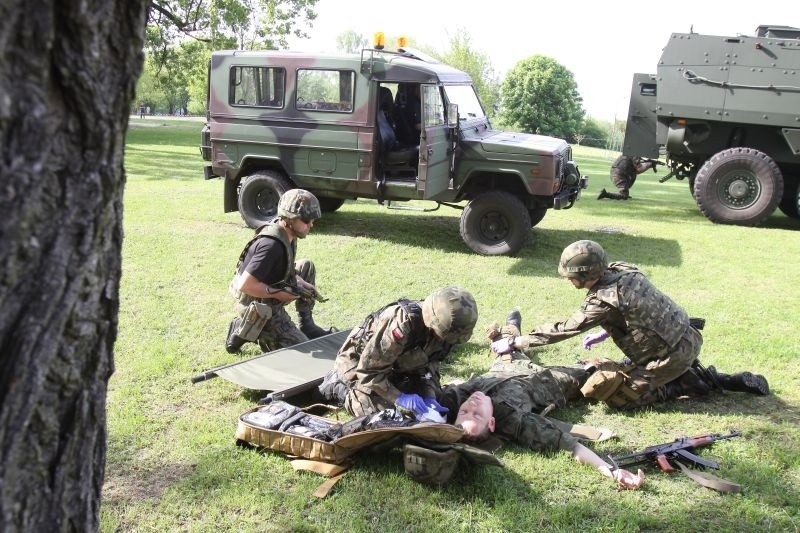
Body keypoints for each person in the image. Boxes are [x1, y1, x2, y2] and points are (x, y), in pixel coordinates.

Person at [491, 240, 768, 409]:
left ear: (586, 275)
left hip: (669, 355)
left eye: (570, 276)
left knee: (618, 397)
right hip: (687, 335)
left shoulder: (602, 299)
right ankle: (699, 375)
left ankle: (686, 384)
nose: (567, 280)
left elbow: (563, 329)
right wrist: (604, 331)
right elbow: (640, 307)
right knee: (636, 369)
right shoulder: (624, 269)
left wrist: (515, 341)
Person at [437, 315, 644, 490]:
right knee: (592, 372)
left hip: (506, 364)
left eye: (465, 412)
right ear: (491, 423)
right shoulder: (514, 420)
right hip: (547, 380)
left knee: (506, 344)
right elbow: (567, 444)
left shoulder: (461, 396)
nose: (472, 405)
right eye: (477, 415)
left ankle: (510, 327)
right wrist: (612, 472)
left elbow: (425, 399)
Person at [318, 286, 478, 417]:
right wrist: (400, 397)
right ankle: (339, 387)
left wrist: (428, 394)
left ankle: (398, 385)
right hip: (359, 366)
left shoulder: (448, 333)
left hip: (400, 367)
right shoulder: (402, 324)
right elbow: (368, 371)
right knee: (383, 417)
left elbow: (430, 365)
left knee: (440, 401)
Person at [225, 189, 332, 354]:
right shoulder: (270, 246)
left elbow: (282, 267)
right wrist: (279, 294)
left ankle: (307, 326)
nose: (311, 225)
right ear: (288, 219)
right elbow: (245, 285)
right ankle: (245, 327)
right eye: (306, 220)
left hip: (268, 291)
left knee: (306, 266)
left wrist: (299, 281)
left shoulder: (288, 233)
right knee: (303, 350)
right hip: (256, 305)